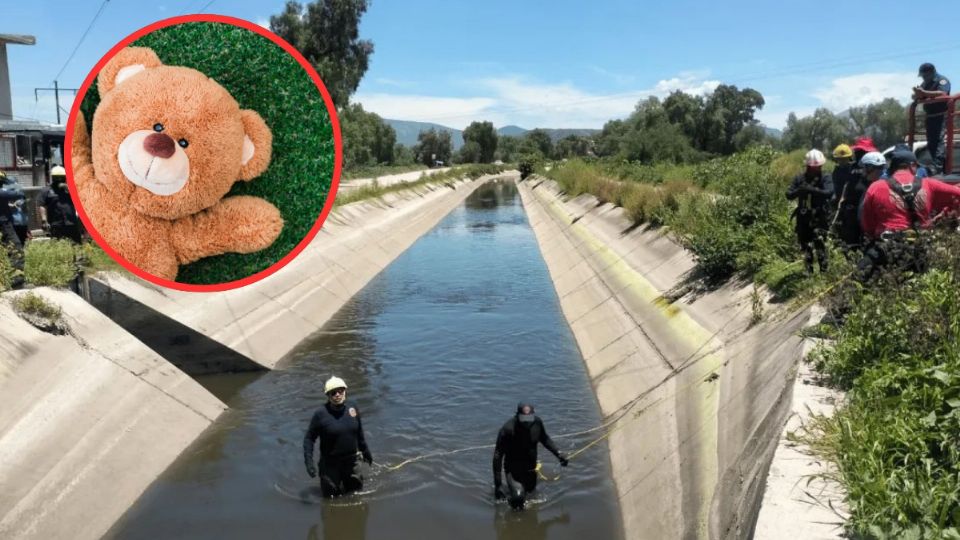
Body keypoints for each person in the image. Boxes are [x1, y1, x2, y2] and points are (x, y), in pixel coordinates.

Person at [857, 147, 960, 279]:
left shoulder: (875, 187)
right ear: (912, 166)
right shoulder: (929, 184)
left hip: (885, 248)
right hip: (919, 247)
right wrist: (946, 215)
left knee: (860, 282)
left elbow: (867, 224)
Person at [303, 376, 373, 498]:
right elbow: (309, 439)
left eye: (340, 391)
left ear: (345, 391)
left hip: (352, 462)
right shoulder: (320, 414)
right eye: (333, 392)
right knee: (330, 497)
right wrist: (309, 462)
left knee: (355, 495)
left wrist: (366, 452)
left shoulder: (353, 408)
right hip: (330, 464)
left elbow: (359, 434)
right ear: (328, 395)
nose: (337, 395)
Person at [492, 402, 569, 510]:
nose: (527, 423)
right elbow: (498, 456)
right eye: (523, 419)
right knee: (518, 499)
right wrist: (498, 485)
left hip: (531, 469)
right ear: (517, 415)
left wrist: (559, 454)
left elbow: (545, 439)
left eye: (529, 419)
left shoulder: (537, 423)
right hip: (513, 471)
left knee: (531, 497)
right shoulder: (507, 429)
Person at [786, 149, 834, 274]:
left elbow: (829, 193)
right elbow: (789, 194)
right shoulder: (799, 178)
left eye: (818, 167)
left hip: (820, 216)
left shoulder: (825, 177)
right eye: (813, 167)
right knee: (805, 244)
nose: (816, 169)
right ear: (807, 166)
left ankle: (824, 272)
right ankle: (809, 271)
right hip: (803, 217)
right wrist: (799, 191)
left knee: (820, 244)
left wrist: (812, 190)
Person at [913, 63, 952, 175]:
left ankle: (938, 166)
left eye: (924, 75)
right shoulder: (926, 83)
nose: (923, 78)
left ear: (931, 72)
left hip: (941, 114)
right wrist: (917, 94)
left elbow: (942, 93)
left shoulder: (942, 80)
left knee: (938, 140)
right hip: (930, 116)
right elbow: (921, 94)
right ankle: (933, 165)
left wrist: (924, 93)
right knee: (931, 141)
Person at [831, 144, 871, 251]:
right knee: (846, 231)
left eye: (844, 159)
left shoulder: (858, 169)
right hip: (845, 204)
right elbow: (838, 188)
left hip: (858, 204)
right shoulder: (837, 171)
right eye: (840, 159)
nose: (842, 162)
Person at [39, 166, 82, 243]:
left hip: (71, 223)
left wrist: (68, 188)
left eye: (61, 177)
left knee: (77, 246)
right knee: (58, 245)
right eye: (56, 177)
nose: (59, 179)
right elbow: (41, 205)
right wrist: (44, 220)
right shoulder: (47, 190)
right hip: (56, 224)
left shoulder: (70, 189)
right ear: (53, 178)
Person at [0, 172, 26, 250]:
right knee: (15, 246)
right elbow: (19, 193)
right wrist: (13, 186)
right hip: (4, 224)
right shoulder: (2, 192)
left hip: (9, 223)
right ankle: (18, 262)